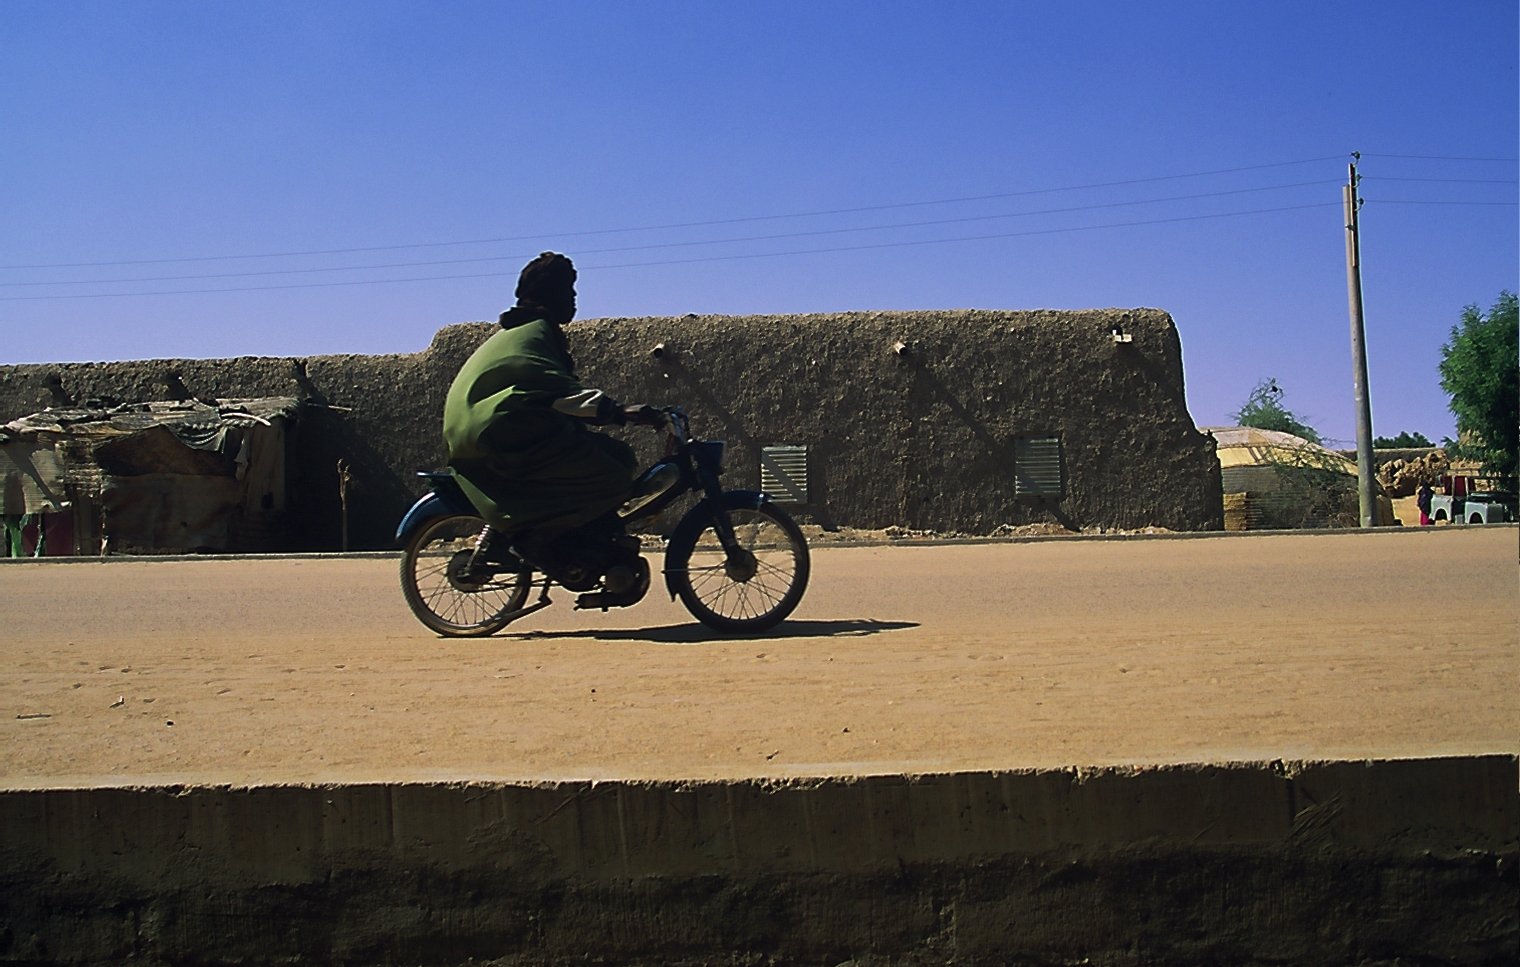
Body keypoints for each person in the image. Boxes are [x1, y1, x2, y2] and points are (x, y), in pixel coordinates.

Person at [443, 252, 661, 546]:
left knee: (617, 454)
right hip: (498, 435)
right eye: (567, 291)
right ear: (549, 294)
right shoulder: (535, 334)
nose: (573, 299)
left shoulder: (522, 332)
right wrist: (620, 412)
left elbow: (547, 393)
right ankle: (553, 545)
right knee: (613, 480)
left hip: (499, 431)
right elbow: (558, 393)